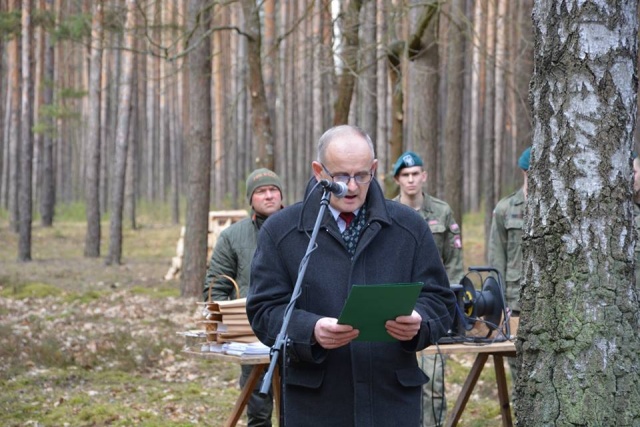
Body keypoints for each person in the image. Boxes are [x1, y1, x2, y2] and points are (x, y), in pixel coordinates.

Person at [246, 125, 457, 426]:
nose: (353, 187)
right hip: (316, 405)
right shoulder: (282, 231)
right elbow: (264, 311)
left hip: (391, 402)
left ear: (374, 168)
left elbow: (440, 300)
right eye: (341, 176)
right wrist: (311, 329)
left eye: (362, 175)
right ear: (319, 171)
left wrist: (419, 321)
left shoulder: (409, 228)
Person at [203, 168, 284, 427]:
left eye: (273, 190)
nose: (269, 196)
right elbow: (216, 288)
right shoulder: (232, 237)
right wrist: (231, 327)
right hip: (253, 335)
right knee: (258, 409)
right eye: (261, 191)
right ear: (251, 199)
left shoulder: (302, 229)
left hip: (295, 333)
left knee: (298, 407)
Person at [392, 151, 464, 427]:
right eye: (405, 175)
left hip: (431, 308)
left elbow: (454, 261)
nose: (411, 180)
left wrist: (451, 304)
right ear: (397, 180)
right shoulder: (387, 211)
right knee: (398, 382)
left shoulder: (442, 212)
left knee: (433, 382)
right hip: (397, 310)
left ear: (424, 176)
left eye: (415, 174)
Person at [487, 146, 530, 382]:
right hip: (515, 302)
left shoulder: (558, 208)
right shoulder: (506, 209)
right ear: (524, 172)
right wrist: (499, 304)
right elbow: (497, 259)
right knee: (518, 369)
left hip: (551, 302)